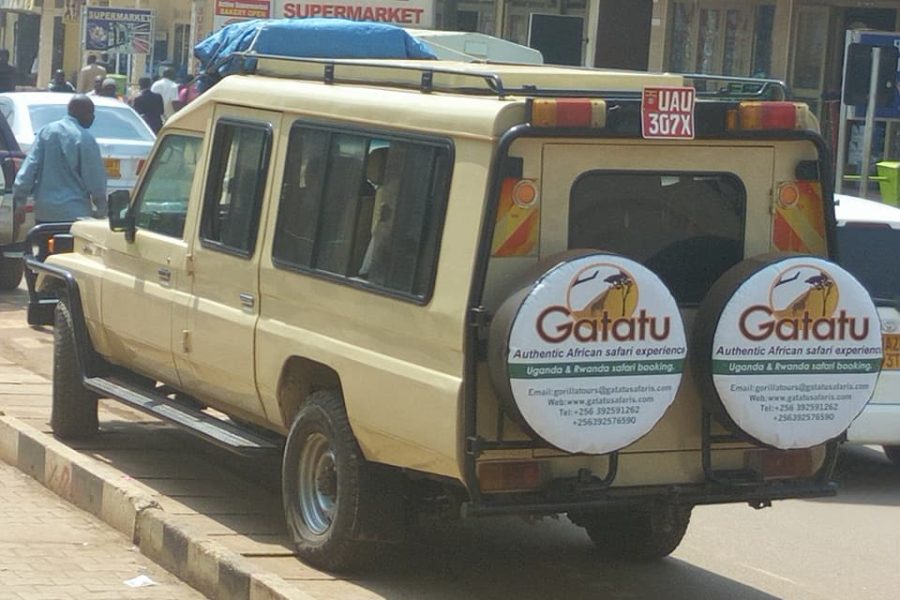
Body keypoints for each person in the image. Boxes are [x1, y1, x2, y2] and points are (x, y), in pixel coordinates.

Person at [13, 95, 107, 224]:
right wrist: (102, 209)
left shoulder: (46, 132)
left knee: (43, 244)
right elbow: (95, 179)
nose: (93, 117)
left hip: (45, 213)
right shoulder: (85, 139)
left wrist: (20, 202)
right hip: (75, 215)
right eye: (90, 112)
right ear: (78, 112)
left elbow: (29, 168)